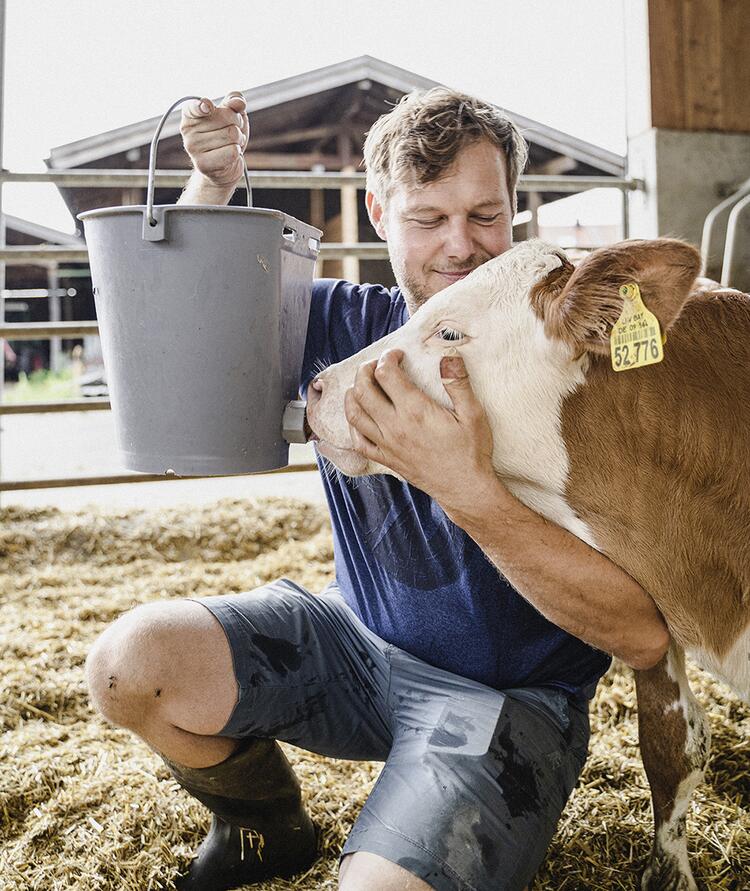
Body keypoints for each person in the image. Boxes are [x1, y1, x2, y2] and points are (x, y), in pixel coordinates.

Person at [85, 88, 670, 891]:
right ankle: (266, 829)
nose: (462, 246)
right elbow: (184, 322)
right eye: (428, 218)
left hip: (508, 699)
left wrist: (469, 489)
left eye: (485, 215)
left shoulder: (577, 365)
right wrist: (211, 191)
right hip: (355, 641)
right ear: (377, 213)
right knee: (128, 662)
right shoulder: (333, 326)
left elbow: (643, 636)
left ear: (513, 209)